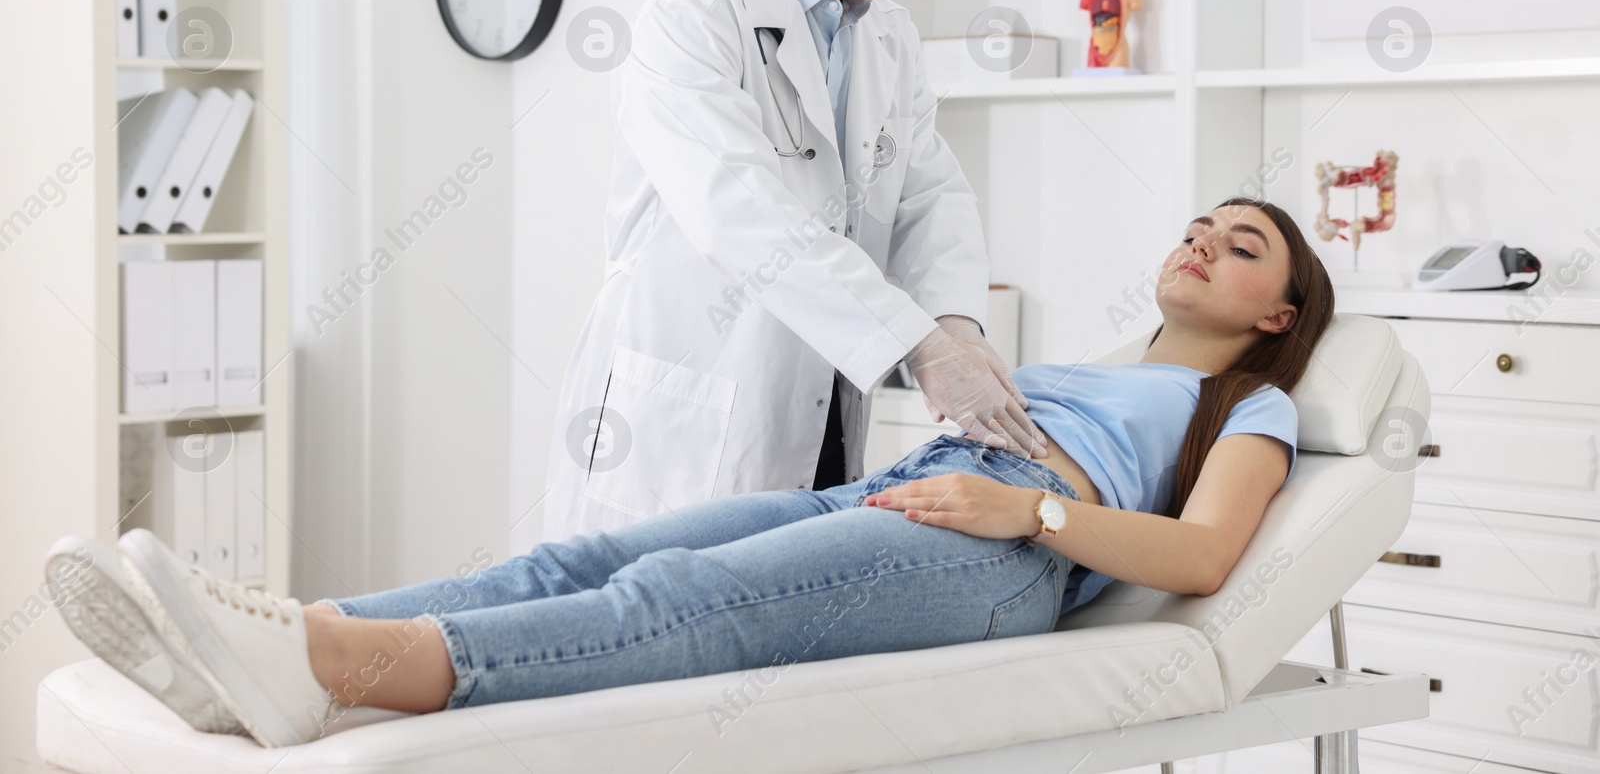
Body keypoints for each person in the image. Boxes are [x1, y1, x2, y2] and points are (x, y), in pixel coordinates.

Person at [51, 198, 1333, 748]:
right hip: (914, 493)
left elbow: (1207, 554)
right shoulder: (1100, 362)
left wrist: (1032, 507)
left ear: (1279, 311)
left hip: (995, 552)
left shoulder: (1253, 402)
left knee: (672, 600)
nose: (1202, 245)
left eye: (1239, 246)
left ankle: (325, 666)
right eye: (1196, 228)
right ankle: (263, 644)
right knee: (571, 558)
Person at [543, 0, 1049, 543]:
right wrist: (917, 343)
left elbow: (929, 197)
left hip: (823, 418)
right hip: (685, 424)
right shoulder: (694, 15)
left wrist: (958, 329)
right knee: (643, 643)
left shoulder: (889, 37)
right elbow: (742, 215)